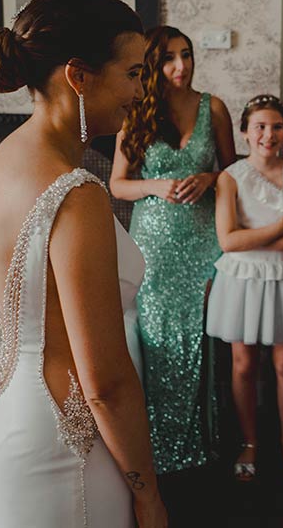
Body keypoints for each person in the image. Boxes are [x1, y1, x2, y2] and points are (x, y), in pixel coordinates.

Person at [0, 0, 167, 528]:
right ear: (79, 76)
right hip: (68, 443)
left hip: (11, 417)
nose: (140, 90)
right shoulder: (75, 193)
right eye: (132, 73)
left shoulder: (7, 157)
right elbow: (104, 381)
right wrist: (148, 493)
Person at [110, 25, 236, 474]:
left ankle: (209, 445)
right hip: (155, 248)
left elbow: (233, 171)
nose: (180, 66)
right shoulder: (136, 113)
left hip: (207, 241)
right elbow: (117, 185)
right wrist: (157, 185)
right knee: (159, 340)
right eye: (169, 58)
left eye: (186, 55)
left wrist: (210, 178)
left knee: (209, 338)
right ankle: (159, 448)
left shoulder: (213, 108)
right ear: (152, 65)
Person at [206, 94, 283, 482]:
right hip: (242, 278)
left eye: (276, 127)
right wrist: (279, 228)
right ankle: (249, 443)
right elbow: (228, 240)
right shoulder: (230, 178)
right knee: (243, 364)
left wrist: (270, 240)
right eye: (259, 126)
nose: (268, 134)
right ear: (245, 132)